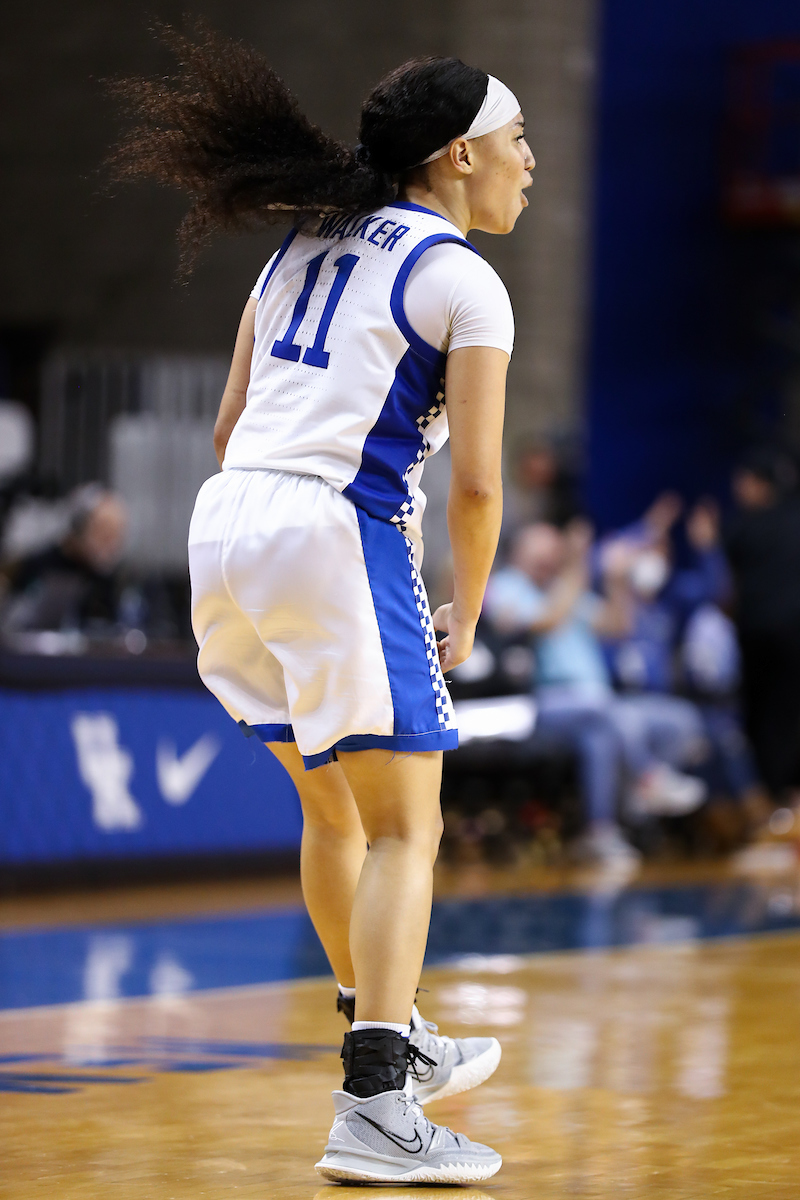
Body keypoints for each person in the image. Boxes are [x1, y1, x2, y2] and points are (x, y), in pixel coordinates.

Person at [113, 31, 534, 1186]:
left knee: (335, 813)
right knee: (409, 826)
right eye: (514, 141)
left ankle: (383, 1024)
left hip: (227, 523)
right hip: (332, 530)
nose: (528, 162)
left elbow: (229, 421)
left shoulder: (295, 246)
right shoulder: (461, 276)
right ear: (456, 157)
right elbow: (484, 481)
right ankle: (375, 1104)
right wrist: (470, 605)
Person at [725, 448, 800, 805]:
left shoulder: (743, 527)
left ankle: (778, 803)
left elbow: (723, 586)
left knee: (765, 718)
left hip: (761, 638)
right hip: (792, 635)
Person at [0, 484, 127, 637]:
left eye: (116, 535)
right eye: (104, 533)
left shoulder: (104, 576)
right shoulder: (39, 565)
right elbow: (12, 627)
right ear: (78, 527)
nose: (112, 545)